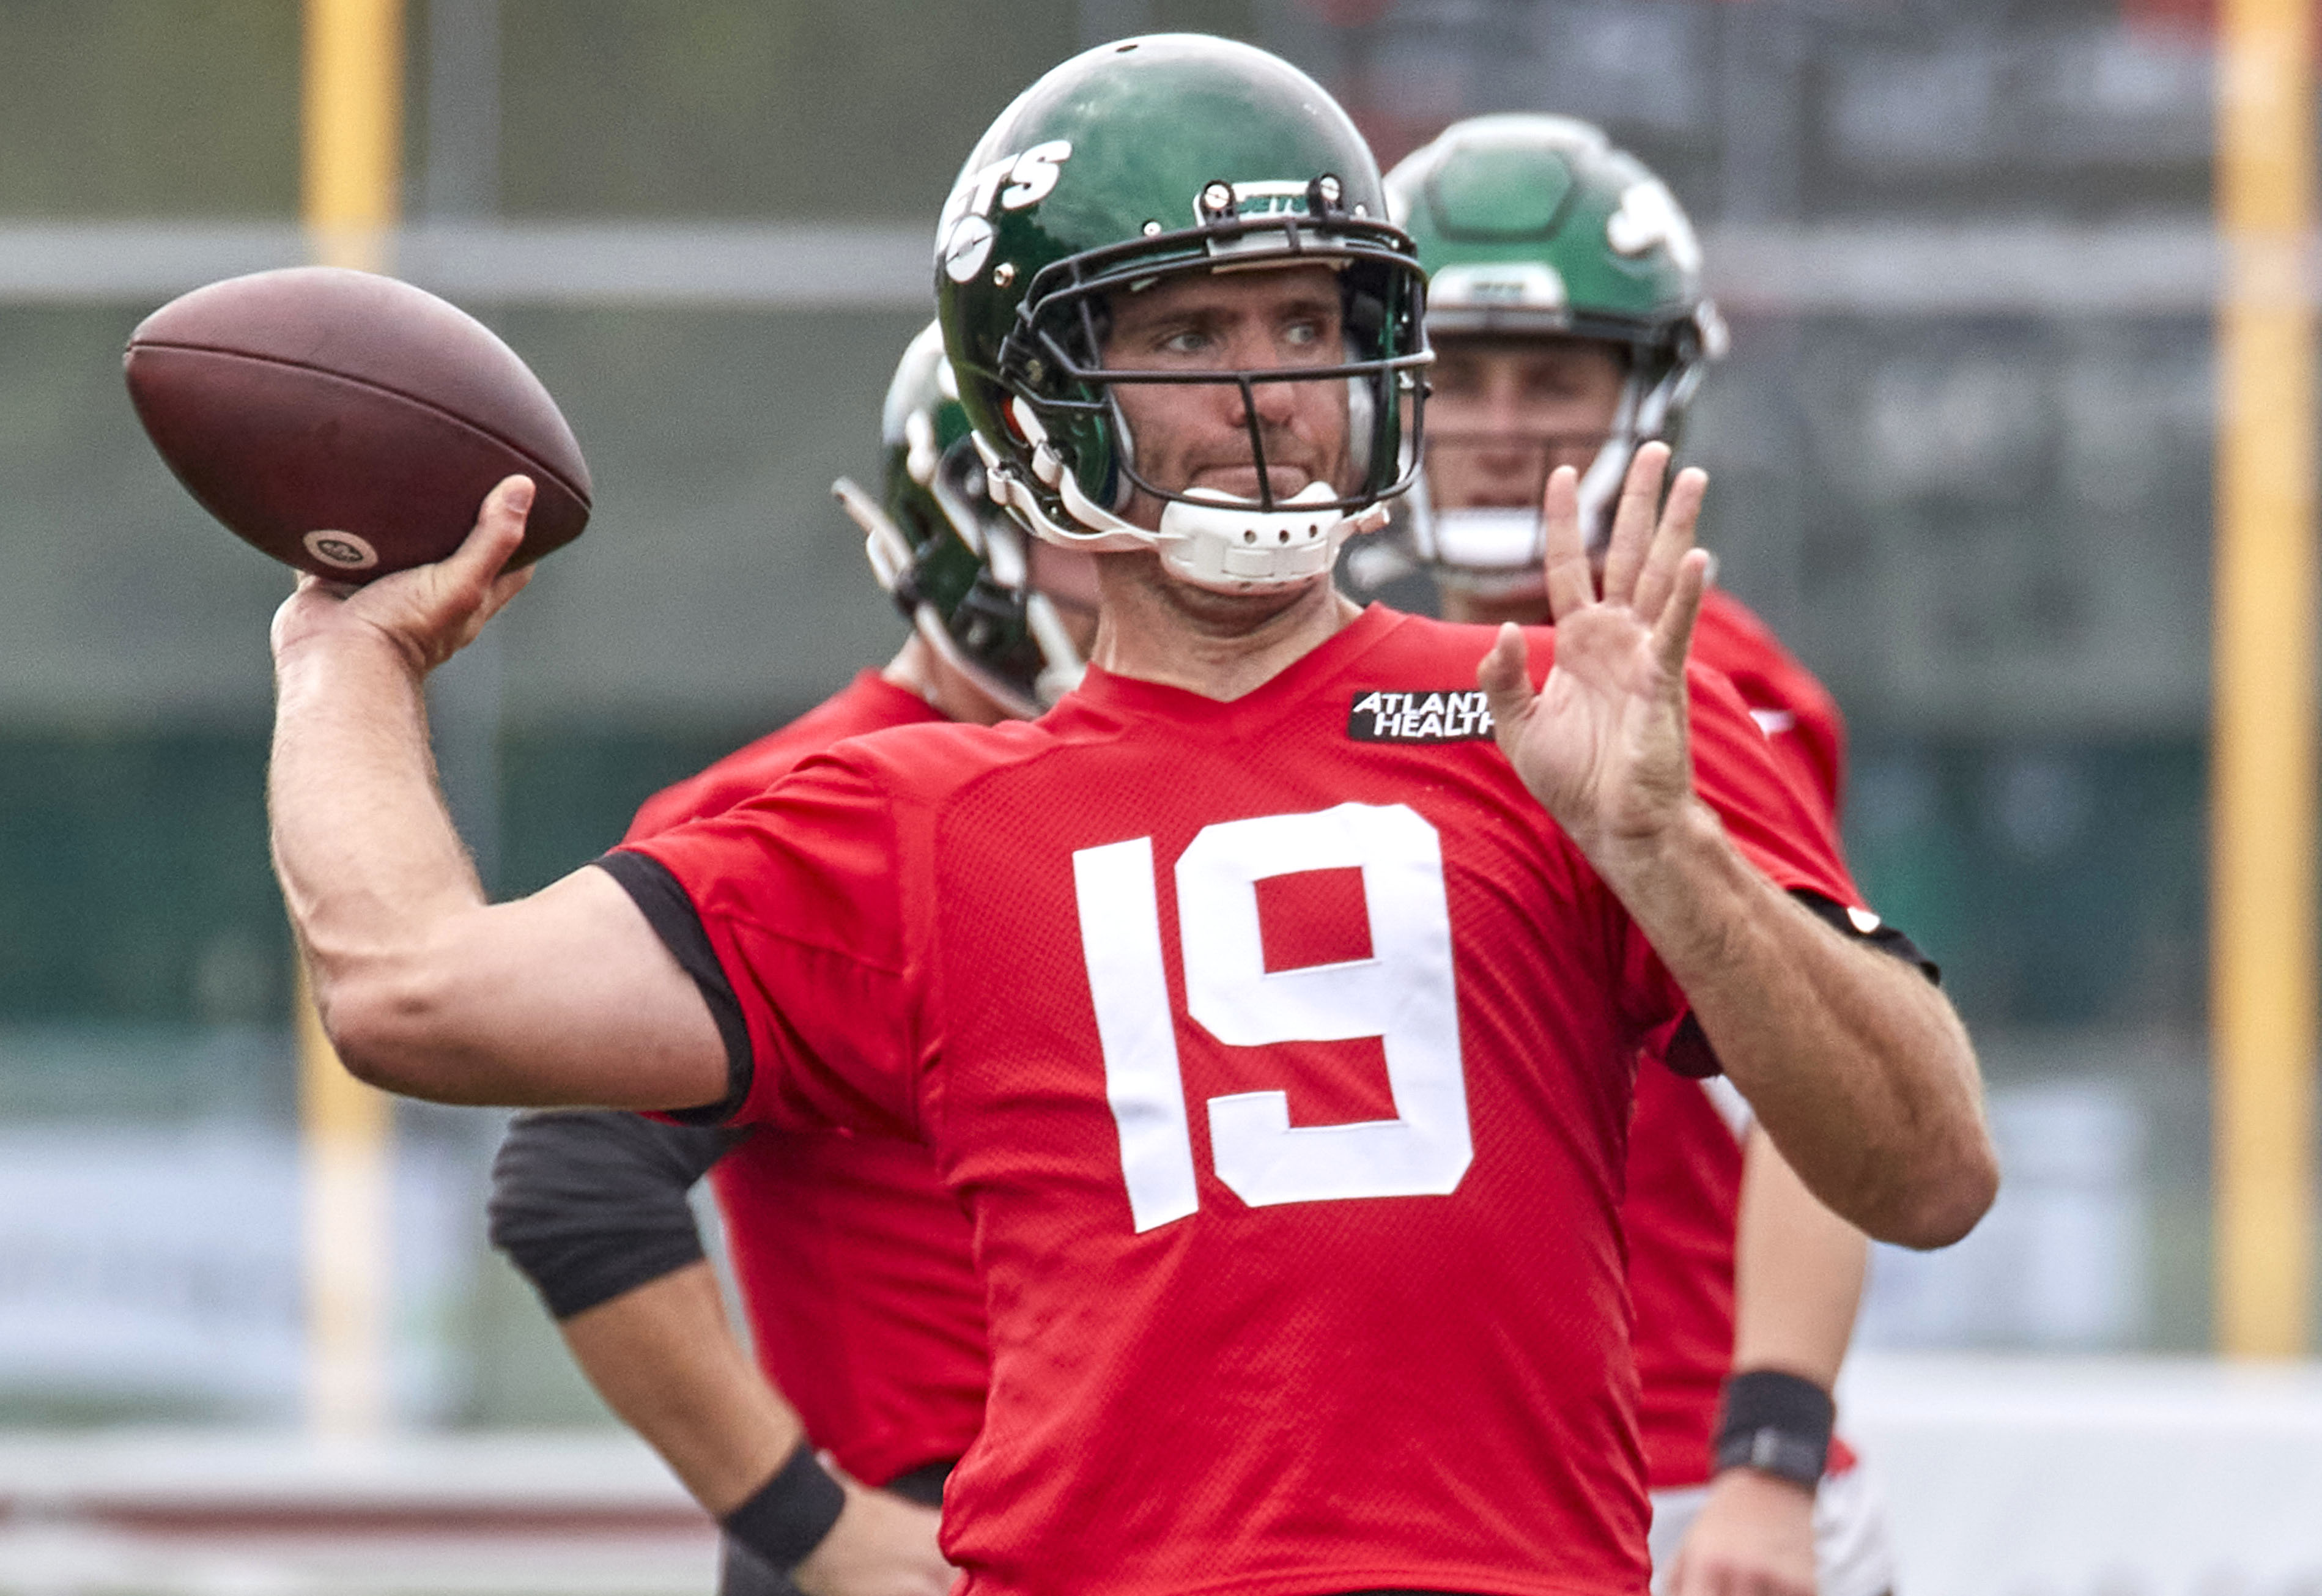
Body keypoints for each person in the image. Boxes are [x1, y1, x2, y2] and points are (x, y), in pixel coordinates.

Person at [268, 35, 1995, 1596]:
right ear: (1030, 404)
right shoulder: (902, 813)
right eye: (1186, 334)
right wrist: (349, 665)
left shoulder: (1556, 714)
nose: (1265, 397)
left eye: (1306, 324)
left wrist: (1662, 851)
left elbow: (1924, 1172)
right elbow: (412, 994)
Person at [487, 323, 1093, 1595]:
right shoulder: (804, 799)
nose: (1126, 552)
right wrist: (807, 1524)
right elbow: (574, 1180)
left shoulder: (1183, 788)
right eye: (1074, 512)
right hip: (941, 1517)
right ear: (958, 521)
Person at [1383, 115, 1891, 1596]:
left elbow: (1828, 1075)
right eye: (1457, 377)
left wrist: (1767, 1460)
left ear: (1647, 391)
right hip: (1426, 1472)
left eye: (1553, 377)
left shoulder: (1699, 679)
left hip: (1667, 1473)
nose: (1497, 423)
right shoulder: (1325, 671)